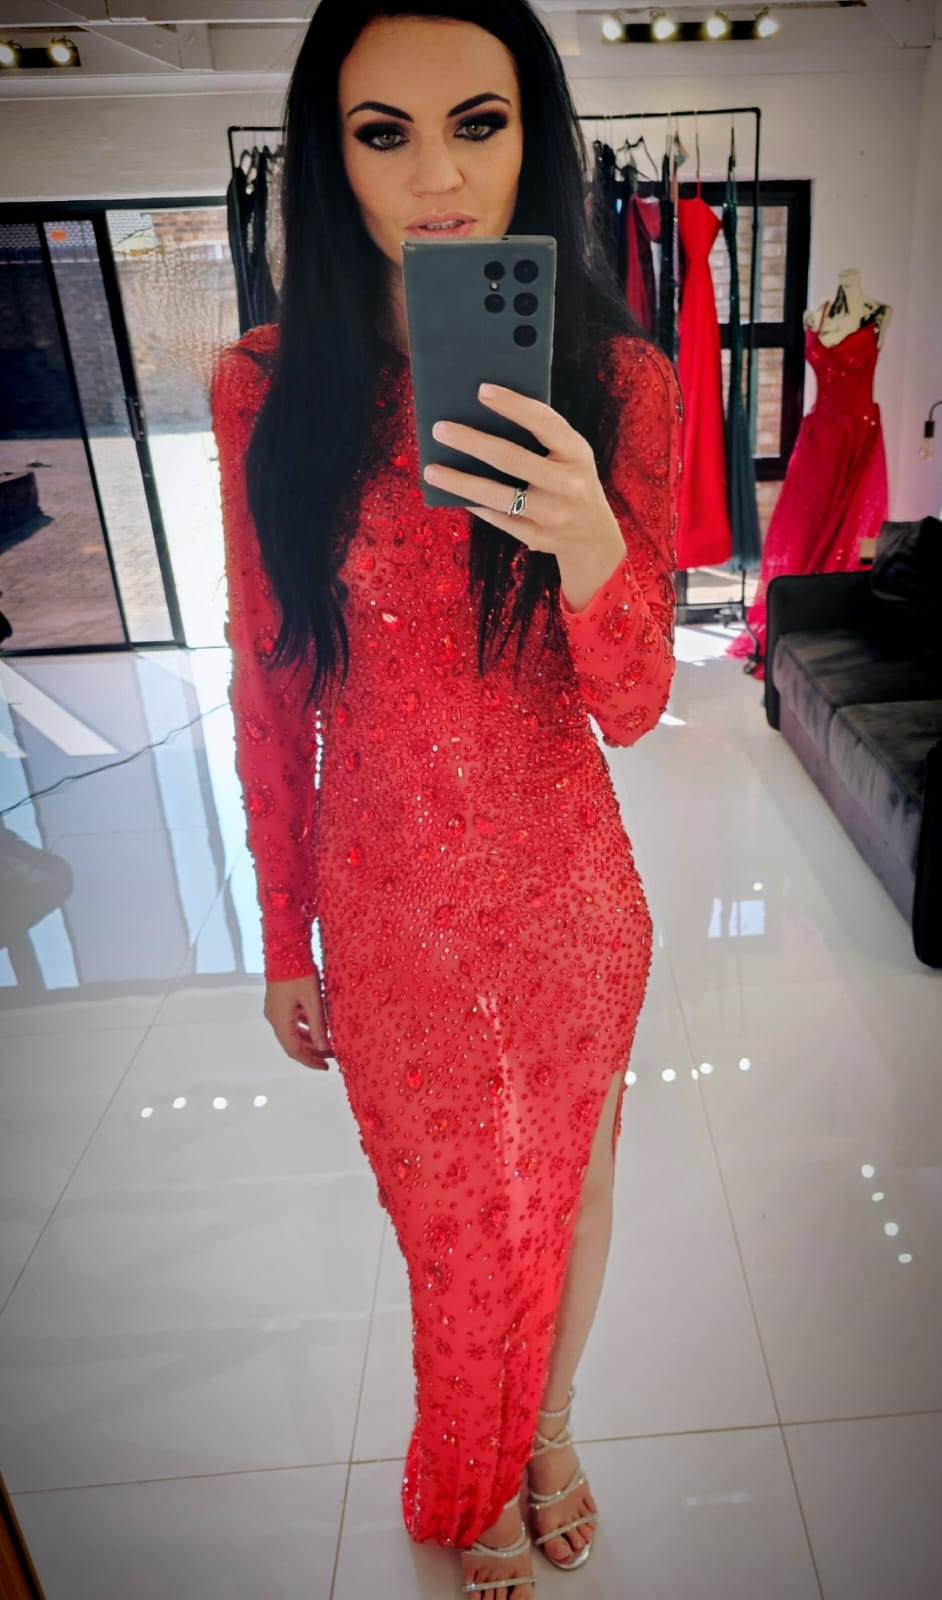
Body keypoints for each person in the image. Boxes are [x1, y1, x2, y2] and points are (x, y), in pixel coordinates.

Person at [210, 2, 682, 1594]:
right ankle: (466, 1460)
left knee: (573, 1184)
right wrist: (283, 933)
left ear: (531, 137)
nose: (435, 179)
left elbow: (634, 707)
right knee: (450, 1220)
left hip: (566, 892)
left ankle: (545, 1429)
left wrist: (586, 537)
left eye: (477, 124)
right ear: (327, 155)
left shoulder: (617, 382)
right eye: (382, 132)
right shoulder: (266, 389)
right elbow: (270, 688)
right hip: (388, 901)